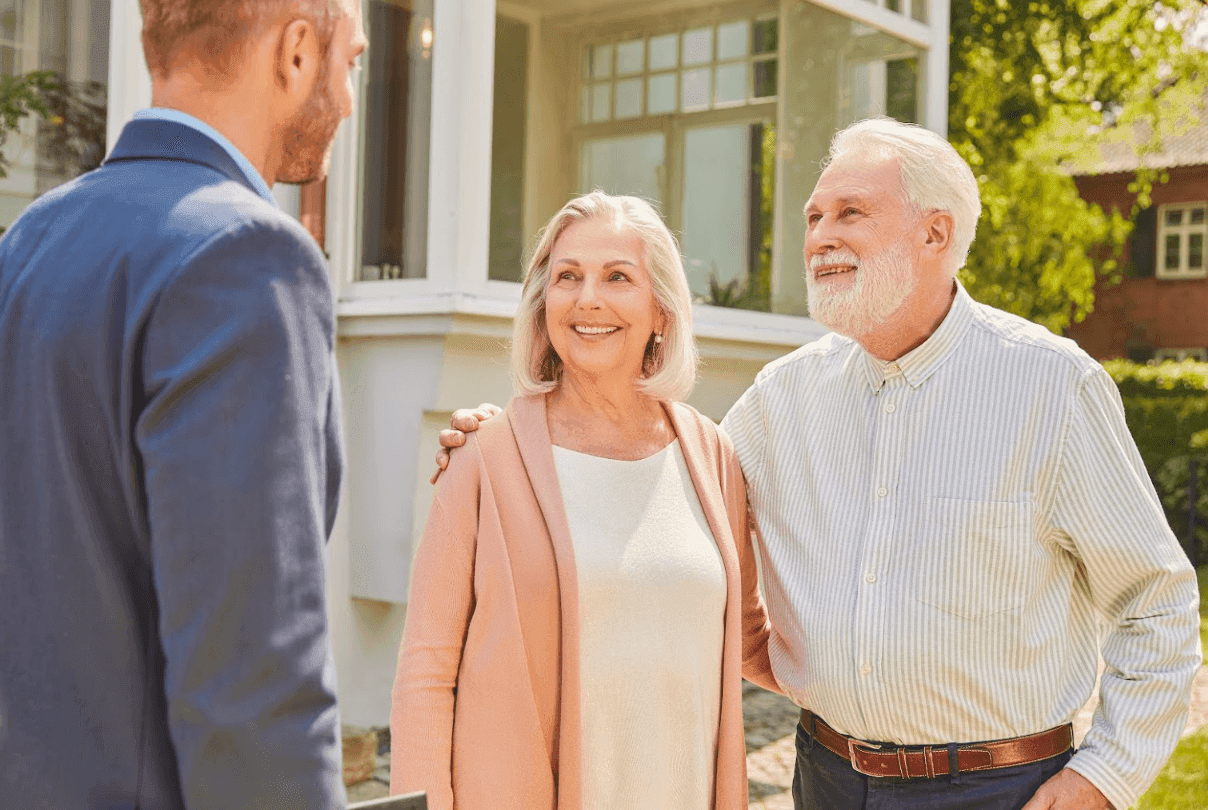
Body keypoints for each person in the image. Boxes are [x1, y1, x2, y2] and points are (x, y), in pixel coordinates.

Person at [435, 119, 1202, 810]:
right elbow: (651, 481)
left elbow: (1157, 606)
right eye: (813, 218)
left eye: (850, 214)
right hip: (827, 779)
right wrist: (507, 435)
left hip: (1002, 790)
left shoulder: (1053, 387)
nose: (820, 237)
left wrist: (1103, 777)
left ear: (935, 234)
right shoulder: (781, 398)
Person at [0, 2, 366, 808]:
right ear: (297, 51)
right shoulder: (246, 257)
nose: (347, 97)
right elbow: (253, 696)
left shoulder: (27, 242)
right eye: (354, 61)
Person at [390, 191, 780, 810]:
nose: (587, 298)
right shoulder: (483, 458)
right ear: (545, 304)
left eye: (617, 277)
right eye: (567, 277)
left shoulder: (712, 456)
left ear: (662, 311)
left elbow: (754, 637)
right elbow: (426, 674)